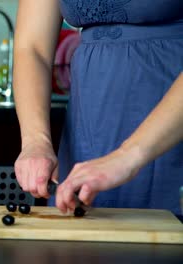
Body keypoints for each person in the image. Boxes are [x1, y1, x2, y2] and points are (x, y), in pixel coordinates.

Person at [13, 0, 183, 215]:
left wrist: (127, 156)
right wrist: (35, 141)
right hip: (90, 129)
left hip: (171, 131)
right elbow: (32, 48)